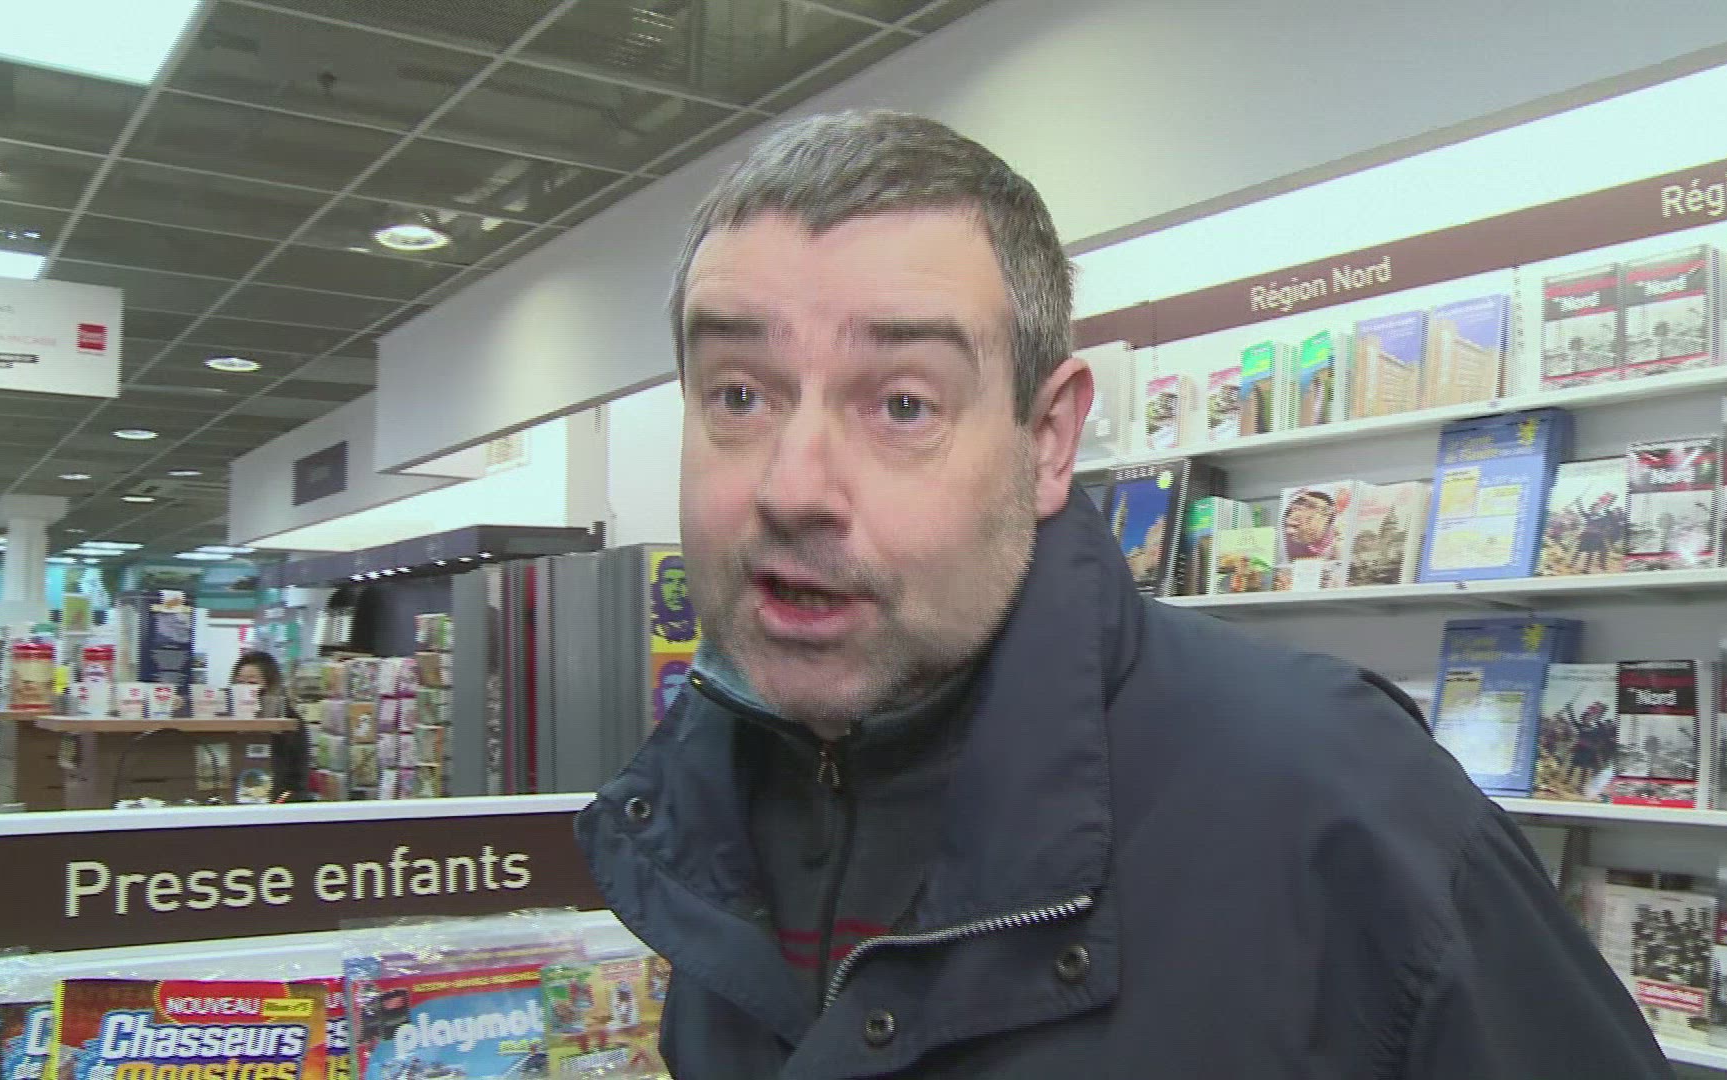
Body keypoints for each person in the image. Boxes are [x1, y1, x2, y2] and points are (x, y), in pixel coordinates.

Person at [575, 110, 1671, 1078]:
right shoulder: (695, 817)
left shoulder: (1352, 815)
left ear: (1048, 441)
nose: (793, 487)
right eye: (739, 394)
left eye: (903, 404)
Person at [230, 650, 303, 798]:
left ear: (269, 684)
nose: (245, 689)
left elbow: (299, 771)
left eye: (252, 683)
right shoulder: (228, 715)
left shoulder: (288, 718)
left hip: (276, 798)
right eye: (240, 682)